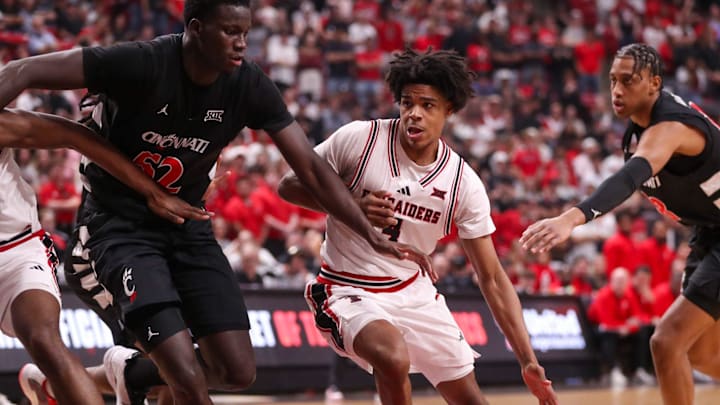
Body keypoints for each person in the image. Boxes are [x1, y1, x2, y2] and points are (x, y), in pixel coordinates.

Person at [1, 1, 429, 404]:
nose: (241, 42)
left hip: (187, 225)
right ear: (195, 29)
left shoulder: (249, 83)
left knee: (236, 370)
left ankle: (126, 375)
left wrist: (369, 233)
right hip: (118, 227)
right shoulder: (140, 61)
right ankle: (119, 374)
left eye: (245, 32)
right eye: (230, 32)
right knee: (183, 376)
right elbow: (22, 69)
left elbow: (313, 170)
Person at [278, 48, 557, 405]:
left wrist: (527, 359)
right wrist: (352, 206)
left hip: (414, 292)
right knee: (393, 357)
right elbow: (289, 185)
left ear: (449, 111)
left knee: (472, 400)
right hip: (347, 288)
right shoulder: (360, 139)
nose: (414, 114)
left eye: (428, 105)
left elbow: (492, 278)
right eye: (407, 103)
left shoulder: (462, 183)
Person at [520, 43, 720, 405]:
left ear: (654, 84)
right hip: (709, 232)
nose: (616, 90)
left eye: (628, 81)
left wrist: (571, 218)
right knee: (702, 354)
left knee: (666, 341)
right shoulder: (636, 132)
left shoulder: (669, 128)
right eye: (612, 80)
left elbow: (628, 179)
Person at [0, 108, 209, 405]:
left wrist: (152, 192)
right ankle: (113, 374)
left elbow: (73, 134)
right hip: (112, 246)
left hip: (15, 250)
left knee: (43, 339)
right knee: (178, 364)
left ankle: (106, 374)